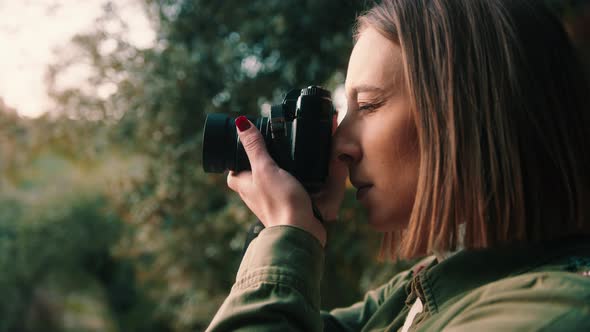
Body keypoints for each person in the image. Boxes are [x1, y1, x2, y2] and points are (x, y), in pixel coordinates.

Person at [207, 0, 590, 330]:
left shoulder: (551, 310)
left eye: (369, 106)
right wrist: (292, 226)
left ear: (469, 112)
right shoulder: (427, 288)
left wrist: (288, 231)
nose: (339, 145)